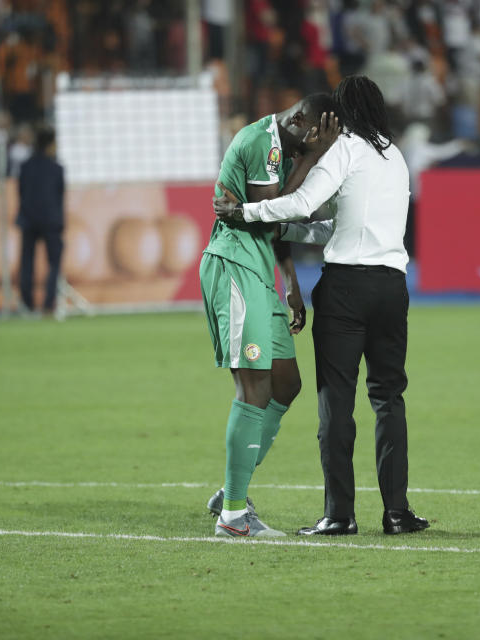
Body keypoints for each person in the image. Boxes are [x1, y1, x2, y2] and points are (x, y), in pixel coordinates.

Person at [214, 75, 429, 536]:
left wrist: (244, 213)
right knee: (389, 399)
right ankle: (397, 512)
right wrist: (290, 236)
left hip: (347, 291)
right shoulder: (396, 157)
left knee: (336, 401)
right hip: (393, 287)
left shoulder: (344, 150)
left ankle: (339, 515)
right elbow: (340, 224)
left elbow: (301, 203)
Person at [201, 93, 338, 538]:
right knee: (255, 384)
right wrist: (313, 156)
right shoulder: (263, 143)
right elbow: (273, 208)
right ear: (299, 120)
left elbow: (274, 225)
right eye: (311, 139)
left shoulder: (285, 146)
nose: (309, 151)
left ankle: (230, 491)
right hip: (235, 266)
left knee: (286, 383)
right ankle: (234, 519)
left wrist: (292, 285)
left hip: (260, 271)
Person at [16, 125, 65, 313]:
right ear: (50, 144)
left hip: (28, 219)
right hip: (51, 222)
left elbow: (20, 192)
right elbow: (60, 196)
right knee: (54, 263)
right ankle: (48, 304)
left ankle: (27, 305)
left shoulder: (25, 167)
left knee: (27, 263)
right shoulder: (56, 169)